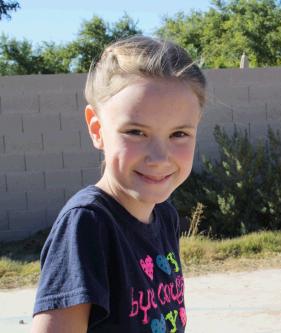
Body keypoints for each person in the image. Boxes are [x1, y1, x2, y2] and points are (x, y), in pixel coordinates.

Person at [31, 35, 206, 333]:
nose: (159, 158)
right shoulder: (87, 224)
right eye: (136, 132)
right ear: (97, 129)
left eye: (179, 134)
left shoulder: (164, 215)